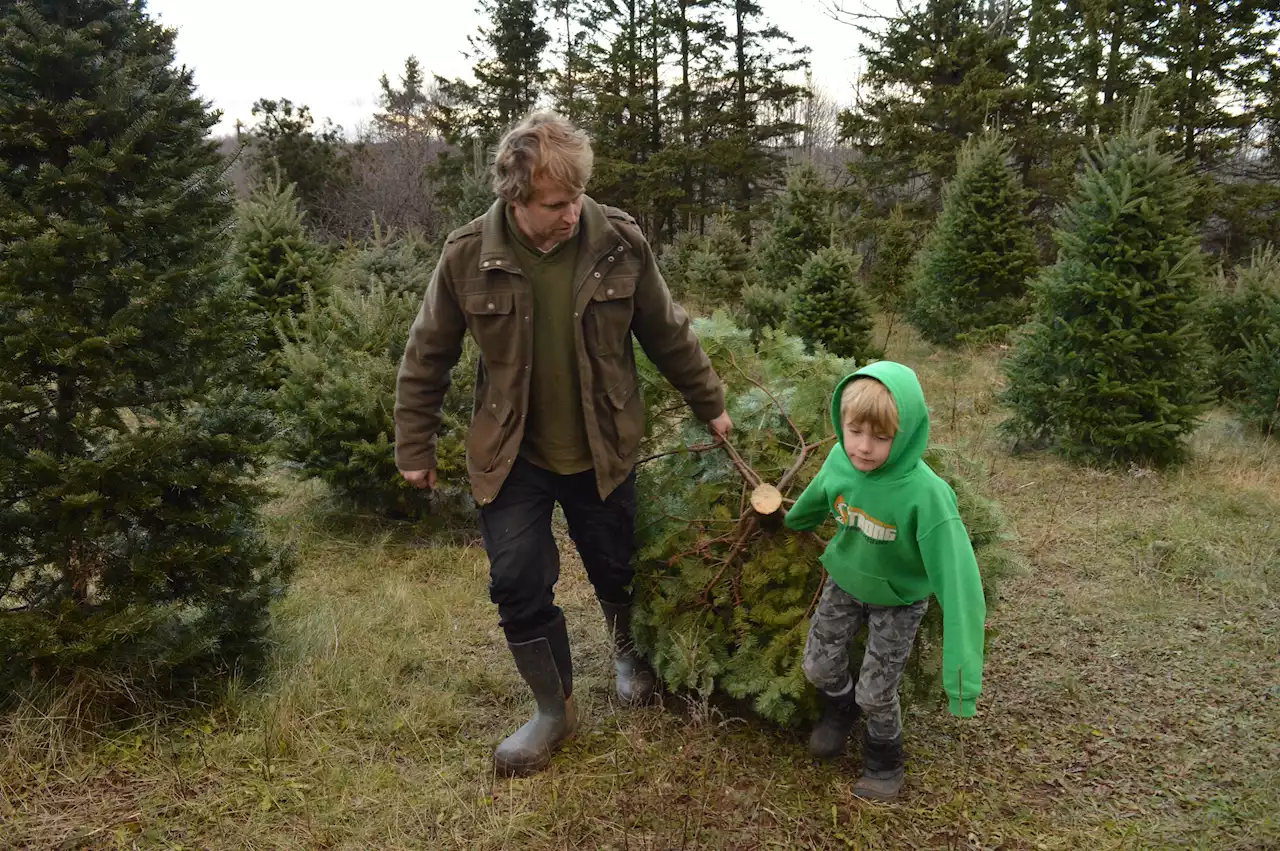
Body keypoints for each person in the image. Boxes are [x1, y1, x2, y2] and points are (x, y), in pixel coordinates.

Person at [394, 111, 733, 777]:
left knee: (616, 567)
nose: (572, 211)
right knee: (516, 578)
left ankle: (628, 652)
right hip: (512, 450)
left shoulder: (618, 241)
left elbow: (666, 329)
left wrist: (711, 403)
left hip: (602, 443)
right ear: (515, 198)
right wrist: (414, 446)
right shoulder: (468, 254)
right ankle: (555, 708)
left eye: (578, 195)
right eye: (556, 202)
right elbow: (426, 353)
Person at [784, 362, 985, 801]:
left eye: (881, 436)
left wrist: (964, 677)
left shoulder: (927, 496)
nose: (863, 448)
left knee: (877, 692)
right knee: (817, 665)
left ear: (906, 432)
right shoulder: (841, 457)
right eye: (854, 431)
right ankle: (840, 708)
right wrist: (790, 520)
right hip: (846, 580)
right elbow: (821, 492)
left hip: (899, 598)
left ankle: (884, 760)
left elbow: (959, 581)